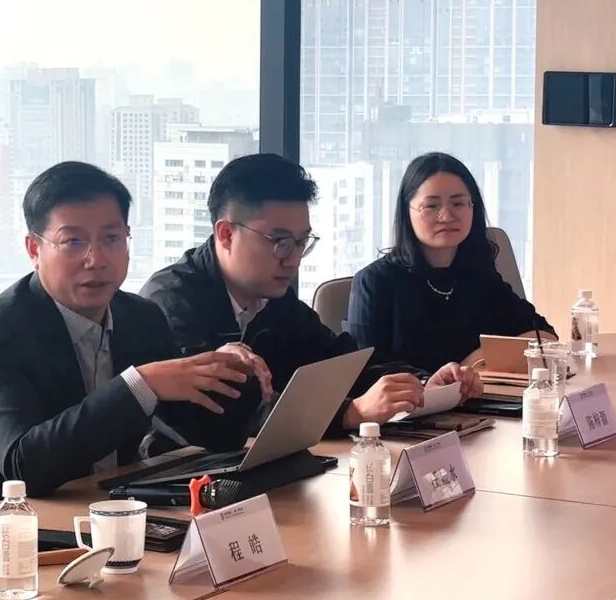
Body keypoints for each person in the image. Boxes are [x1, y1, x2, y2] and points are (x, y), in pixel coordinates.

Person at [0, 161, 262, 502]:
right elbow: (24, 466)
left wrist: (232, 375)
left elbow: (206, 435)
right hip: (5, 524)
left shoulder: (141, 317)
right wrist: (141, 384)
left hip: (112, 511)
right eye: (73, 241)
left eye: (112, 238)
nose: (95, 259)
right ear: (35, 249)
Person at [141, 153, 482, 436]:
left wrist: (422, 384)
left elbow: (342, 361)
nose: (293, 258)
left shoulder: (275, 298)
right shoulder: (170, 303)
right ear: (226, 234)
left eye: (302, 241)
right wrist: (350, 413)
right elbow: (223, 415)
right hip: (180, 480)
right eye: (279, 241)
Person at [348, 151, 555, 373]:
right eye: (431, 206)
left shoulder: (479, 274)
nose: (446, 216)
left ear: (473, 208)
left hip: (480, 395)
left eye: (458, 203)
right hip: (415, 397)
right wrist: (443, 381)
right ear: (407, 212)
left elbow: (544, 337)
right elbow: (366, 372)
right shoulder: (374, 282)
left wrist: (476, 359)